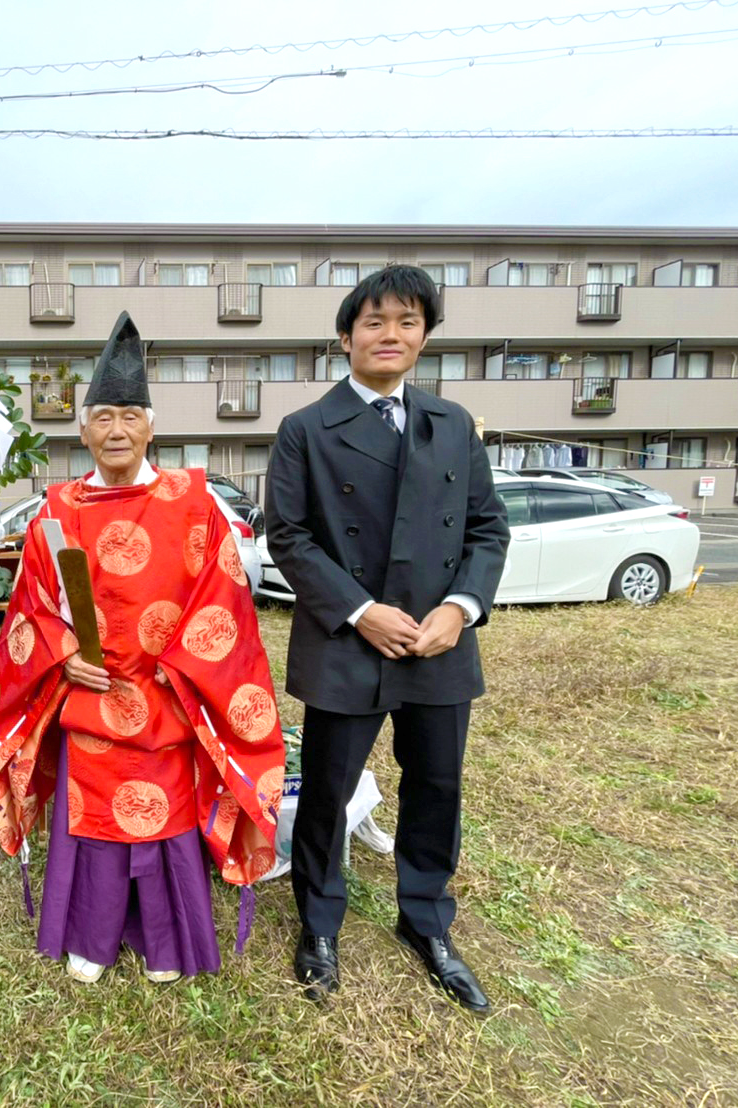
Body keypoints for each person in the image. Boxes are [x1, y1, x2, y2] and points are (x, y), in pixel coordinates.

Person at [0, 312, 286, 984]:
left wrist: (177, 667)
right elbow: (31, 606)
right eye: (103, 417)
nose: (116, 430)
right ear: (83, 430)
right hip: (89, 700)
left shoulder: (194, 503)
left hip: (170, 693)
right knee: (94, 825)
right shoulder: (56, 511)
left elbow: (222, 600)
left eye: (129, 415)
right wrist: (62, 654)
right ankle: (91, 933)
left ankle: (166, 943)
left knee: (163, 822)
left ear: (150, 425)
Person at [266, 266, 510, 1011]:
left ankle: (427, 921)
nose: (391, 335)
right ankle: (319, 924)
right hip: (347, 638)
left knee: (437, 787)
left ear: (424, 337)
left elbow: (486, 527)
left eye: (407, 322)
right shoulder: (306, 428)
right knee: (328, 794)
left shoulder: (452, 423)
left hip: (438, 642)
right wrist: (361, 609)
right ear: (346, 337)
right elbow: (291, 536)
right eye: (374, 322)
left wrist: (460, 608)